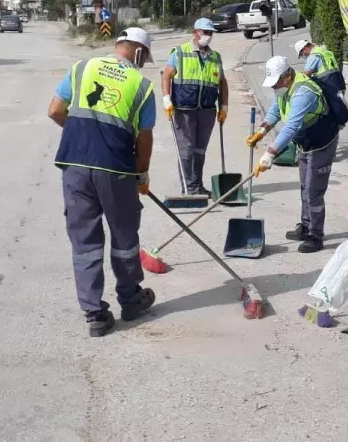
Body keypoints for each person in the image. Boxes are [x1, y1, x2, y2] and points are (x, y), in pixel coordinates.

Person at [48, 28, 159, 337]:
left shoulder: (82, 68)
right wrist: (142, 172)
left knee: (84, 242)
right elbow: (144, 137)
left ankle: (95, 313)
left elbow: (55, 110)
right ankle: (131, 299)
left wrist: (80, 135)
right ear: (138, 52)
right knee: (124, 236)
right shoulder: (142, 86)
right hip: (116, 170)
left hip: (74, 166)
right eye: (145, 57)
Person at [246, 56, 340, 253]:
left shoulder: (304, 92)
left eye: (277, 82)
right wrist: (261, 132)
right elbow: (275, 111)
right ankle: (306, 227)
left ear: (287, 75)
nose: (275, 87)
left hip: (321, 142)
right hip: (306, 142)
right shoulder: (284, 88)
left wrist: (269, 155)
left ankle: (316, 236)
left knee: (314, 192)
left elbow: (290, 127)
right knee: (305, 187)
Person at [162, 18, 229, 196]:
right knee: (186, 150)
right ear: (195, 32)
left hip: (207, 111)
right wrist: (166, 99)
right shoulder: (180, 52)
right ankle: (189, 187)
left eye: (210, 33)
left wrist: (224, 107)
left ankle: (197, 185)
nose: (208, 36)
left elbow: (222, 83)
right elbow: (167, 76)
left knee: (200, 151)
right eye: (205, 32)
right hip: (183, 109)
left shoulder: (215, 57)